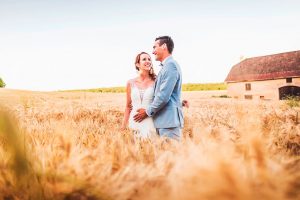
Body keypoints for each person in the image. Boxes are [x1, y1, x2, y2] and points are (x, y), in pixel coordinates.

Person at [134, 36, 184, 140]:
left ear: (164, 46)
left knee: (171, 155)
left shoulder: (170, 66)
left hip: (168, 123)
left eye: (154, 47)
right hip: (163, 123)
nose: (153, 52)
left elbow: (163, 96)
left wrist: (147, 112)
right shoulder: (167, 66)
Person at [121, 52, 157, 138]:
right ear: (137, 64)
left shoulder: (156, 81)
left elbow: (161, 102)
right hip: (134, 123)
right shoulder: (130, 82)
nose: (148, 61)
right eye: (144, 59)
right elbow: (128, 107)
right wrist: (123, 127)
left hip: (150, 121)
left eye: (149, 59)